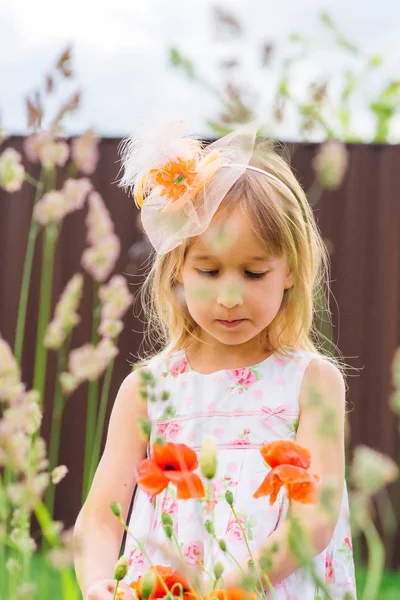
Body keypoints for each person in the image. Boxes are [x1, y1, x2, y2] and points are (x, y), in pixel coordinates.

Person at [73, 121, 356, 599]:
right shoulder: (148, 390)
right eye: (209, 270)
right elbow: (101, 517)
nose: (229, 297)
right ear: (178, 269)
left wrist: (229, 590)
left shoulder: (310, 382)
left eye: (252, 272)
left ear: (289, 270)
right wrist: (98, 585)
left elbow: (315, 517)